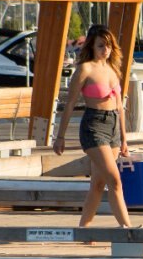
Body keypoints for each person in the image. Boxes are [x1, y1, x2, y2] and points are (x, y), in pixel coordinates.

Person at [53, 24, 134, 229]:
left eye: (108, 45)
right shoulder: (85, 69)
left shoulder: (113, 69)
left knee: (98, 184)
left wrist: (124, 139)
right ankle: (128, 230)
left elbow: (120, 107)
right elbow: (70, 104)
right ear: (91, 46)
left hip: (113, 127)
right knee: (115, 181)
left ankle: (83, 230)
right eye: (100, 45)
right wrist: (60, 136)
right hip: (94, 126)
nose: (105, 50)